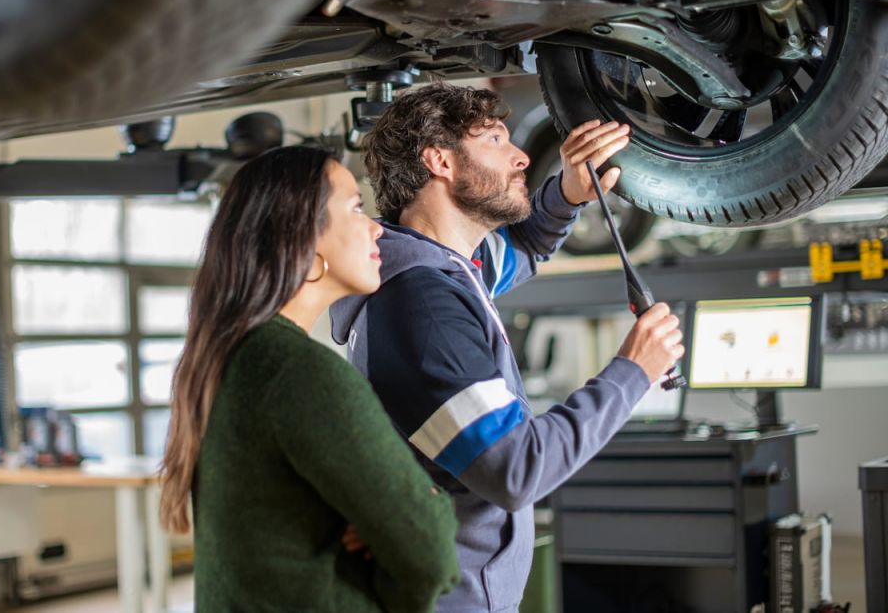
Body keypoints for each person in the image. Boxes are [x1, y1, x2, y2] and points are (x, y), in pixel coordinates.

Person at [331, 84, 684, 612]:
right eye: (495, 139)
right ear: (440, 161)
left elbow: (525, 245)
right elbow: (515, 471)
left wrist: (565, 194)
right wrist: (632, 371)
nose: (521, 155)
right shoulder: (424, 304)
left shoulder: (444, 269)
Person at [160, 145, 461, 612]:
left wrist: (381, 523)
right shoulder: (300, 373)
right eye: (356, 208)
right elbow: (431, 550)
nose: (376, 227)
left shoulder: (234, 359)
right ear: (302, 234)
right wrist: (413, 519)